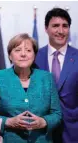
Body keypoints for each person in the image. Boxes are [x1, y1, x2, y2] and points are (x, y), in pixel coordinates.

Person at [0, 33, 61, 143]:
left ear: (34, 55)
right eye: (17, 50)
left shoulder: (47, 78)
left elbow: (57, 114)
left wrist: (44, 121)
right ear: (10, 56)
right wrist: (8, 121)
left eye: (28, 50)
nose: (23, 54)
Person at [35, 8, 78, 143]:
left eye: (65, 26)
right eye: (55, 26)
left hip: (73, 130)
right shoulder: (34, 57)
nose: (60, 31)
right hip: (41, 130)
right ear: (46, 29)